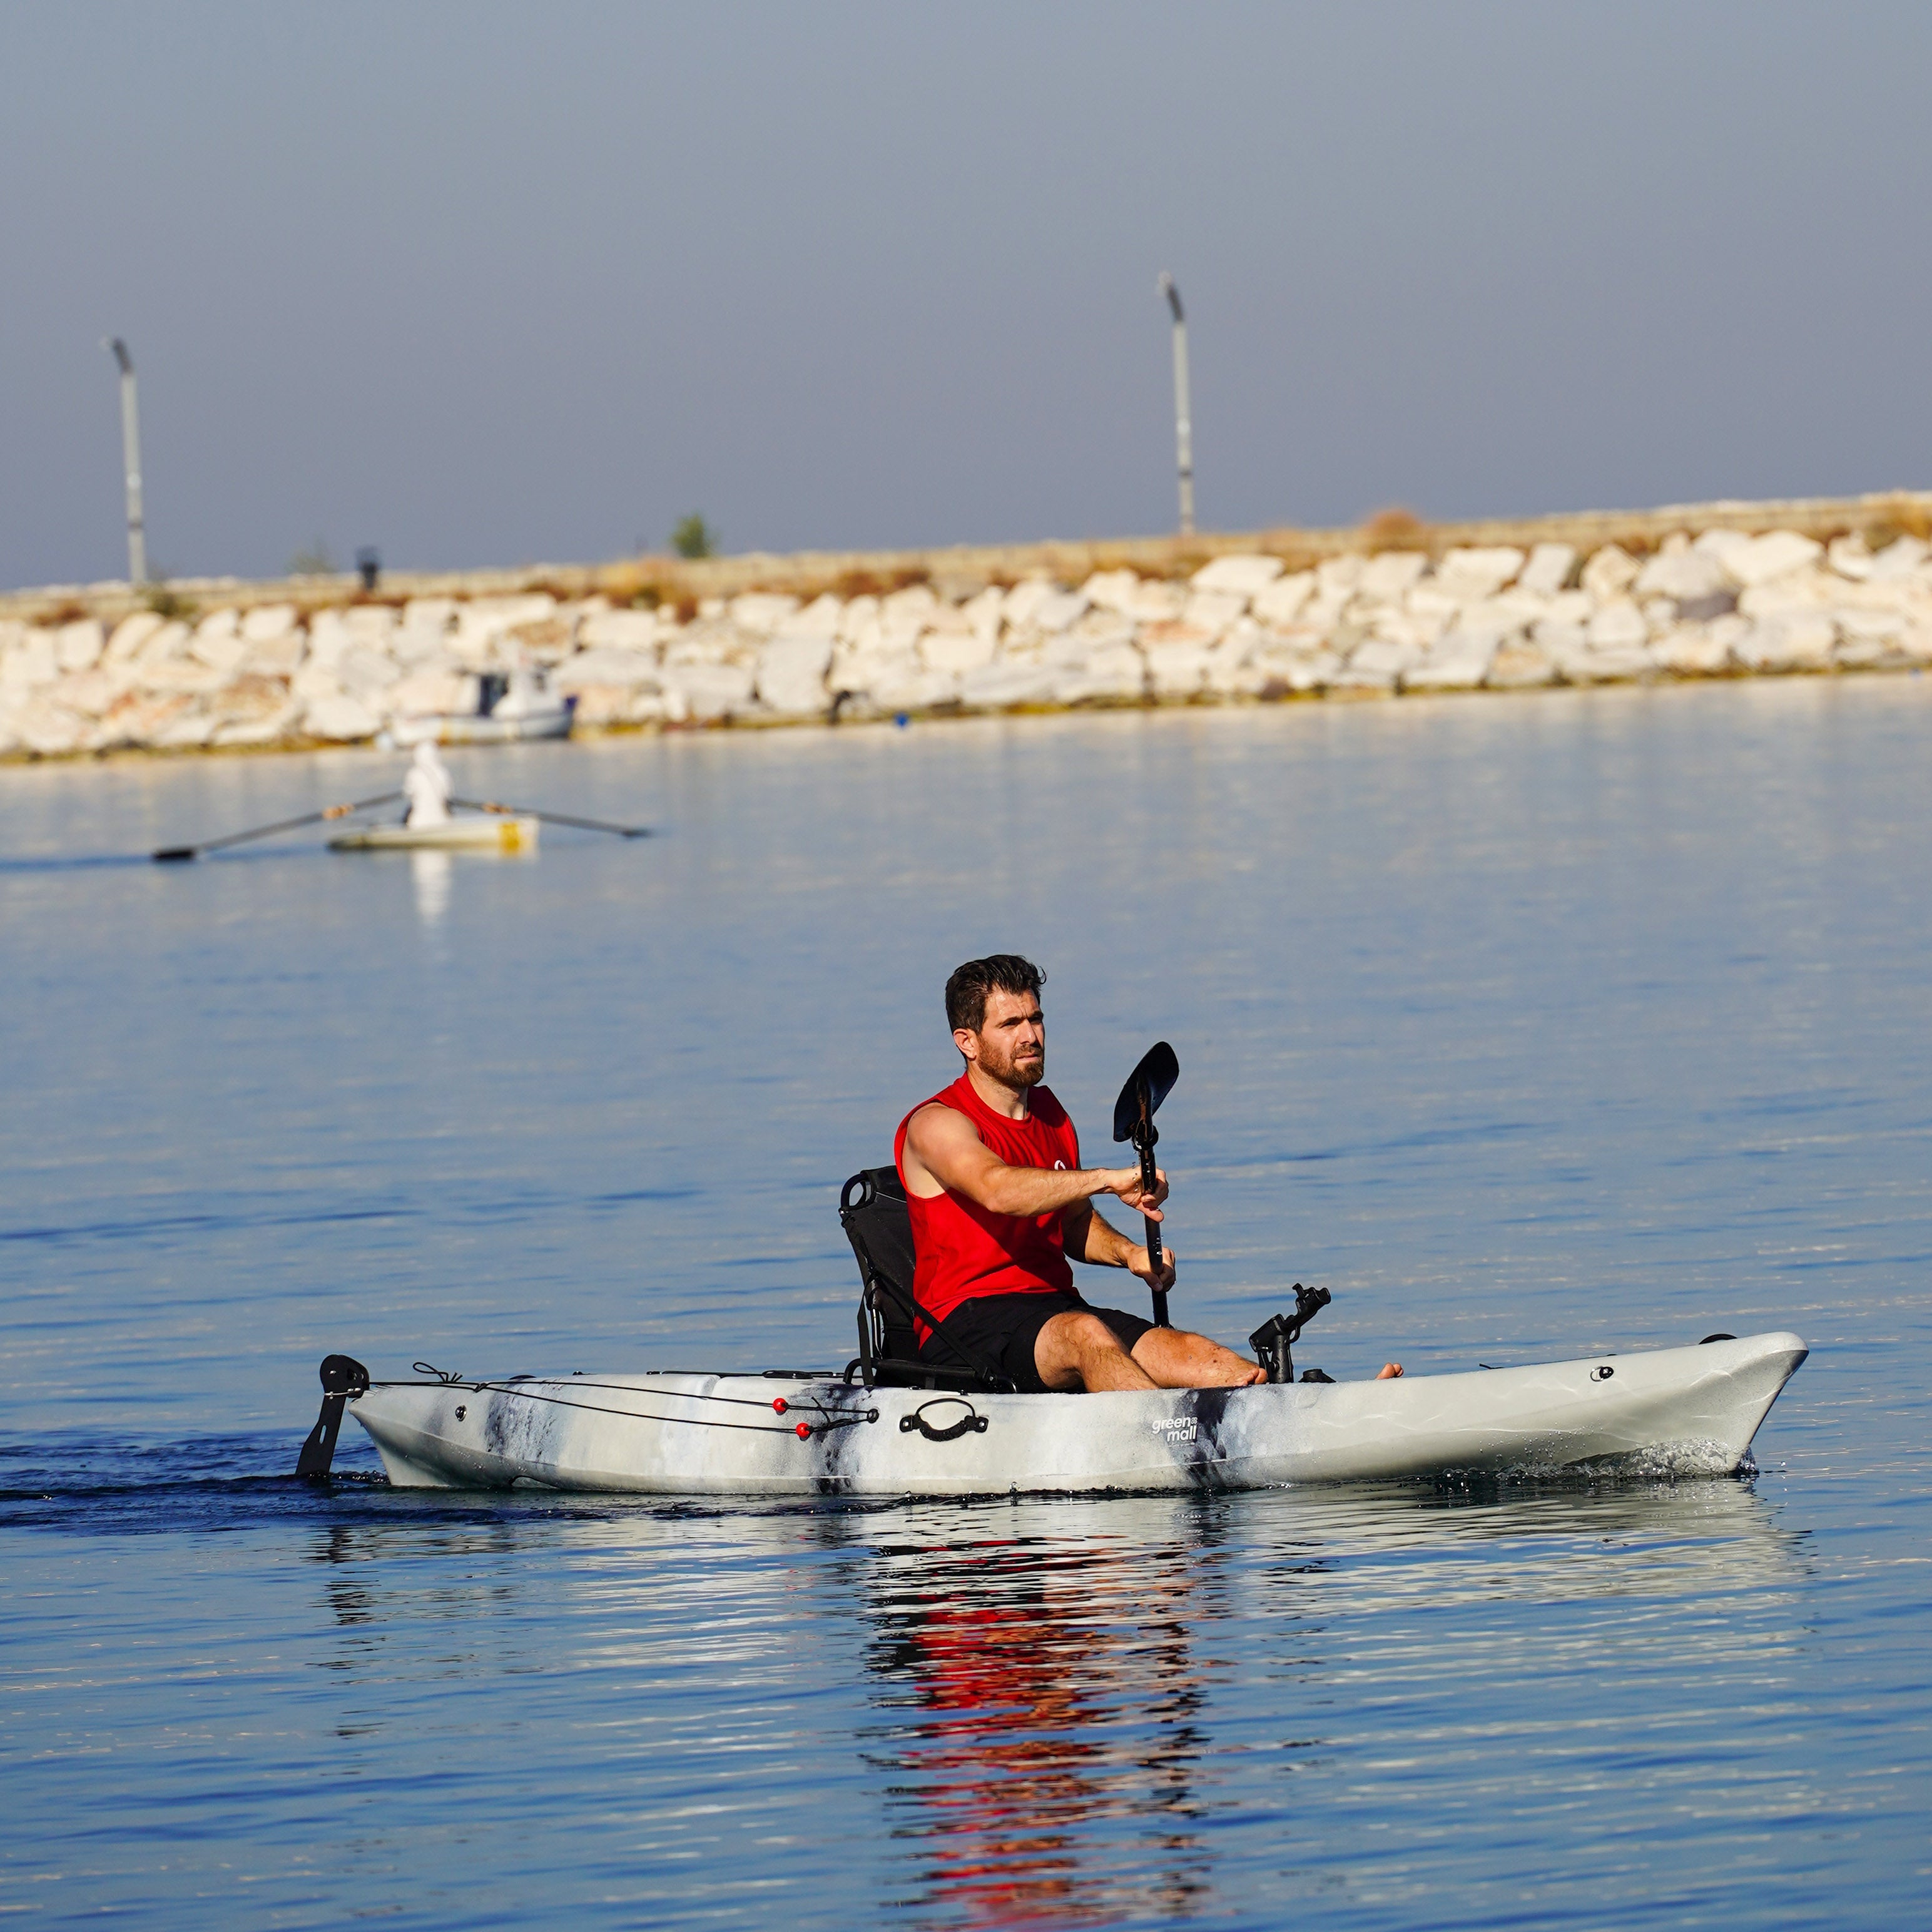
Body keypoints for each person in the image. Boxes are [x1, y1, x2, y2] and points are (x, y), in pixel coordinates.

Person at [897, 954, 1403, 1394]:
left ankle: (1314, 1416)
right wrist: (1106, 1178)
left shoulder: (1051, 1114)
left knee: (1196, 1354)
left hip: (1053, 1309)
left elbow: (1072, 1225)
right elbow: (998, 1190)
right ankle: (1166, 1447)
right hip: (965, 1327)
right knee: (1088, 1336)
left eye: (1036, 1018)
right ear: (967, 1041)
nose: (1031, 1035)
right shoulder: (937, 1123)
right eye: (1010, 1025)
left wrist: (1131, 1255)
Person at [403, 740, 452, 828]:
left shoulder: (414, 773)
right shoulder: (443, 772)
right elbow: (448, 795)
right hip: (443, 822)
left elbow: (408, 793)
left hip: (418, 823)